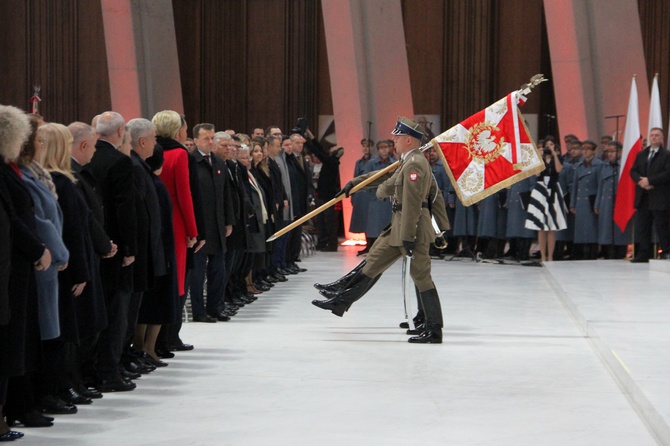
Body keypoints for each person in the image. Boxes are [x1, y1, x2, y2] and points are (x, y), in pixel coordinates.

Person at [312, 117, 447, 344]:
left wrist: (407, 237)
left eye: (397, 137)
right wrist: (354, 184)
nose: (393, 140)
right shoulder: (408, 160)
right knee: (374, 261)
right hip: (401, 225)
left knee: (421, 276)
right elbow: (385, 177)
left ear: (408, 140)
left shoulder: (414, 163)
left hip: (411, 228)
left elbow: (413, 203)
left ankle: (434, 329)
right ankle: (341, 300)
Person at [84, 111, 138, 392]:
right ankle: (109, 371)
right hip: (116, 245)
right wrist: (129, 247)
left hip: (93, 245)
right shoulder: (120, 161)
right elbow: (124, 207)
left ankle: (91, 371)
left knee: (96, 310)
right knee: (116, 312)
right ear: (120, 133)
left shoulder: (87, 158)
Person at [630, 127, 670, 262]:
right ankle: (643, 254)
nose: (654, 137)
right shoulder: (641, 154)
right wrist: (641, 181)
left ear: (662, 138)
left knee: (661, 226)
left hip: (659, 196)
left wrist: (650, 180)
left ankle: (665, 251)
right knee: (643, 226)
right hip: (643, 196)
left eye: (657, 135)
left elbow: (667, 173)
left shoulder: (666, 155)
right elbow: (633, 171)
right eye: (652, 135)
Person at [525, 136, 567, 262]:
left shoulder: (558, 158)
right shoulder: (540, 160)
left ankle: (550, 256)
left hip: (553, 190)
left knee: (552, 226)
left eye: (551, 144)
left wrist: (554, 154)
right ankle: (543, 256)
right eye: (547, 145)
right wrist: (539, 156)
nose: (548, 147)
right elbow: (537, 174)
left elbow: (559, 170)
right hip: (541, 190)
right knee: (541, 226)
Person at [595, 141, 630, 259]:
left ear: (620, 152)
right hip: (606, 202)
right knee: (607, 229)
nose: (610, 154)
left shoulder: (624, 165)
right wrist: (597, 203)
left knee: (620, 229)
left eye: (612, 151)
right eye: (608, 152)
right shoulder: (604, 166)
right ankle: (608, 253)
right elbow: (601, 186)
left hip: (620, 202)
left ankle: (620, 252)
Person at [569, 140, 603, 260]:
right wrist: (572, 203)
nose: (585, 151)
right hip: (581, 201)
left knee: (592, 229)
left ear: (593, 151)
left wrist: (598, 203)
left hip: (591, 200)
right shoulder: (579, 165)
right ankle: (582, 254)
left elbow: (600, 185)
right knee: (582, 229)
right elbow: (575, 186)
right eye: (583, 149)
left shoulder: (599, 165)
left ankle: (592, 254)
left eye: (588, 149)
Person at [349, 138, 373, 252]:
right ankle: (367, 244)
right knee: (363, 220)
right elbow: (355, 178)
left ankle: (372, 244)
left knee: (371, 220)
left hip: (370, 194)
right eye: (363, 146)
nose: (365, 148)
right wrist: (353, 195)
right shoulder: (358, 162)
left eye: (367, 146)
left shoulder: (374, 161)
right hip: (360, 194)